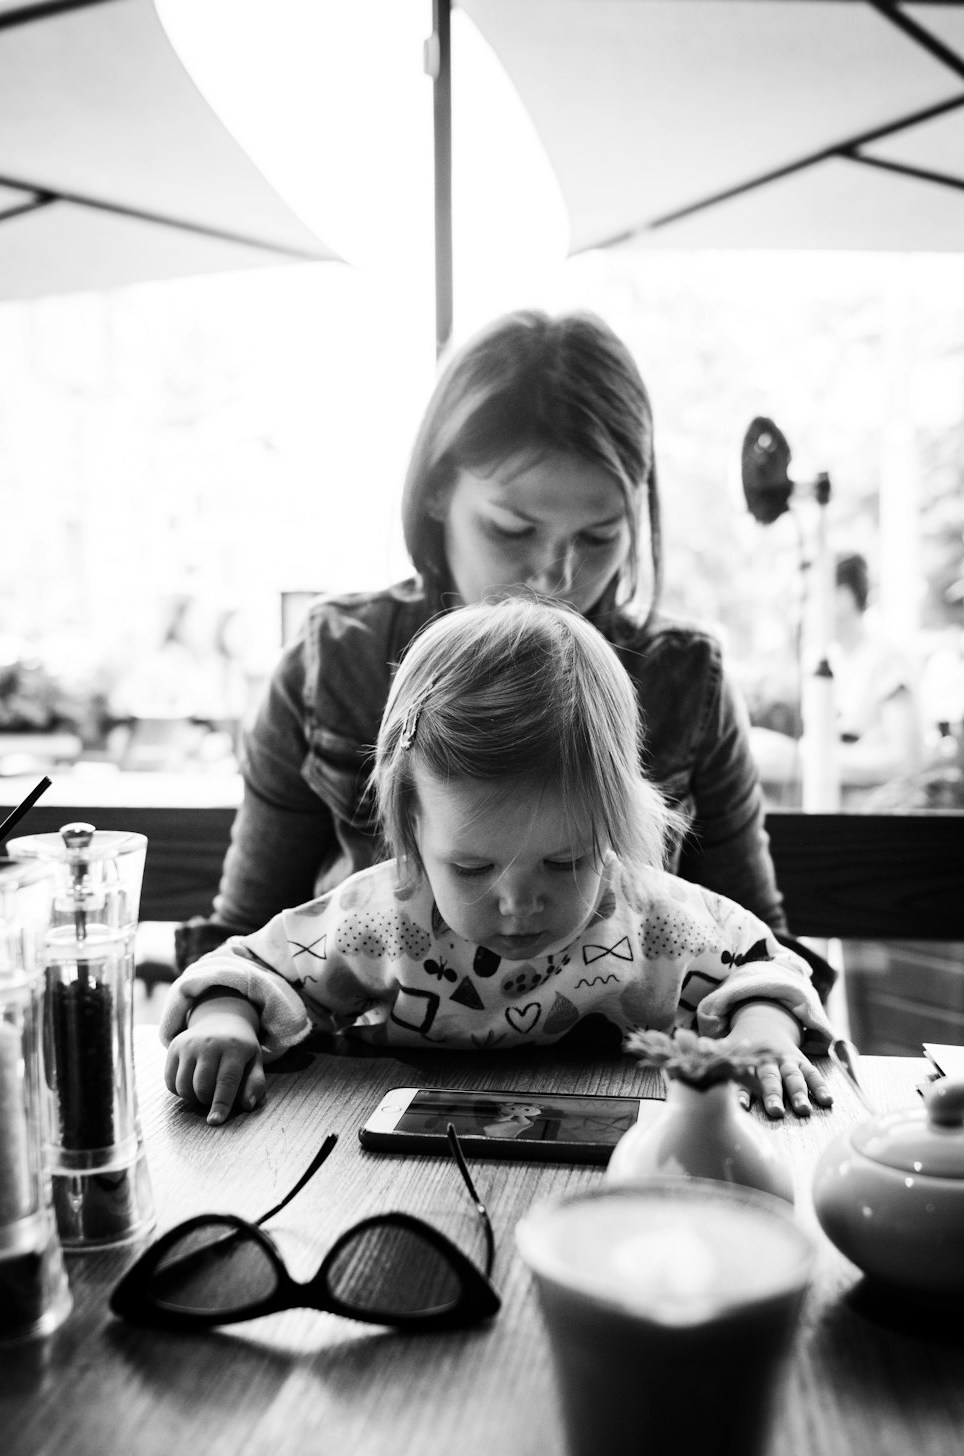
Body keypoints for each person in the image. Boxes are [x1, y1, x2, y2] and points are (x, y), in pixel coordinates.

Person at [180, 309, 826, 988]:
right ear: (434, 491)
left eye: (600, 536)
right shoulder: (333, 666)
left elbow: (760, 954)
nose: (556, 576)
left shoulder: (685, 680)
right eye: (512, 528)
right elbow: (243, 940)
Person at [162, 600, 835, 1126]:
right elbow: (250, 966)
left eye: (566, 861)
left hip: (610, 1172)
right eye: (473, 869)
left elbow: (764, 963)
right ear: (411, 829)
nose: (519, 902)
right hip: (403, 1170)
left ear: (611, 827)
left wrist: (763, 1030)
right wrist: (223, 1018)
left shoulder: (649, 915)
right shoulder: (385, 916)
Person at [830, 552, 923, 798]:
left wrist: (815, 758)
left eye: (808, 598)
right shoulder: (826, 661)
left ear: (843, 597)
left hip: (876, 815)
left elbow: (906, 759)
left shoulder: (887, 660)